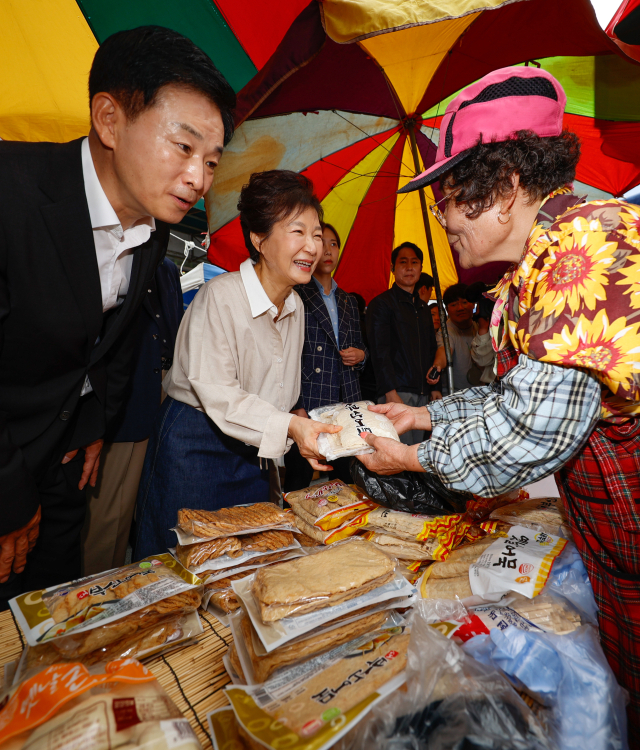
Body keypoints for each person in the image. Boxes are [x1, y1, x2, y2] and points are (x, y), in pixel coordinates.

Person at [356, 66, 640, 741]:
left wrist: (415, 458)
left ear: (506, 189)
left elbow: (529, 434)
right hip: (613, 540)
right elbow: (512, 396)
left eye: (451, 194)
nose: (440, 213)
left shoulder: (586, 248)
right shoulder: (525, 273)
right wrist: (425, 416)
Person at [0, 26, 235, 604]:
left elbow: (112, 342)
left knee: (51, 618)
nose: (198, 180)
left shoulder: (153, 230)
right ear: (109, 120)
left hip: (62, 467)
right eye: (183, 148)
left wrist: (93, 425)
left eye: (211, 160)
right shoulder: (11, 193)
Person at [134, 171, 341, 558]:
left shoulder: (297, 307)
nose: (312, 247)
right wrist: (293, 428)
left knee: (240, 567)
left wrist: (298, 427)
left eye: (317, 234)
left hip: (254, 454)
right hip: (195, 447)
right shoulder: (219, 297)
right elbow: (222, 397)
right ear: (258, 239)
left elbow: (280, 395)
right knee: (180, 564)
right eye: (297, 232)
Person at [82, 258, 183, 575]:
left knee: (137, 506)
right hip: (117, 403)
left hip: (161, 395)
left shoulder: (165, 268)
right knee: (107, 514)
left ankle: (122, 585)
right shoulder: (116, 256)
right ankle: (95, 595)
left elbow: (174, 329)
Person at [284, 223, 368, 491]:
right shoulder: (297, 293)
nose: (329, 250)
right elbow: (289, 355)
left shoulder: (349, 300)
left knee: (346, 481)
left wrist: (361, 355)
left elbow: (359, 345)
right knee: (299, 479)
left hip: (345, 399)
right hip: (310, 398)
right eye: (323, 242)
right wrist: (295, 404)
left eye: (335, 244)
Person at [366, 242, 439, 444]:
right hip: (397, 392)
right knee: (398, 454)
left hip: (423, 393)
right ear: (392, 268)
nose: (409, 267)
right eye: (403, 262)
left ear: (421, 267)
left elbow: (432, 349)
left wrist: (435, 388)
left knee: (418, 454)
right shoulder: (381, 304)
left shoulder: (424, 309)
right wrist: (390, 391)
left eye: (414, 262)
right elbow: (379, 351)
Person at [433, 283, 484, 393]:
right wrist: (437, 366)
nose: (460, 308)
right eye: (454, 304)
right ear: (447, 309)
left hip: (481, 391)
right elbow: (444, 350)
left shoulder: (480, 327)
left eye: (464, 302)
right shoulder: (446, 331)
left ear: (474, 304)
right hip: (454, 394)